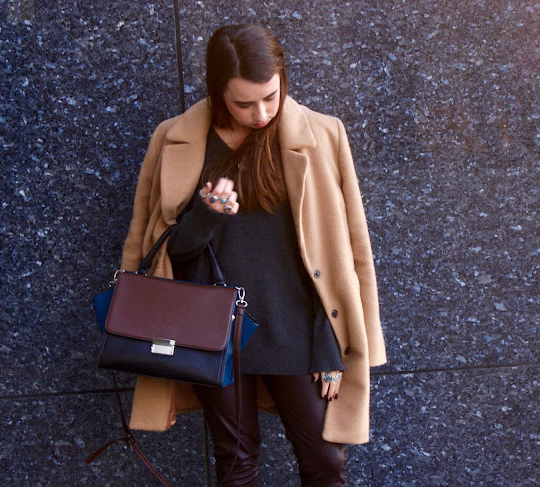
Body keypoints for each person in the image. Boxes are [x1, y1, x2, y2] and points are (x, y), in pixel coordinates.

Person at [119, 24, 386, 486]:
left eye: (271, 97)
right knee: (236, 464)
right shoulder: (175, 139)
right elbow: (159, 254)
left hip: (296, 327)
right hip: (212, 332)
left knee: (325, 463)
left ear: (283, 79)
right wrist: (205, 216)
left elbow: (347, 249)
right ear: (217, 90)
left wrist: (333, 339)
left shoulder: (323, 134)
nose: (260, 113)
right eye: (243, 103)